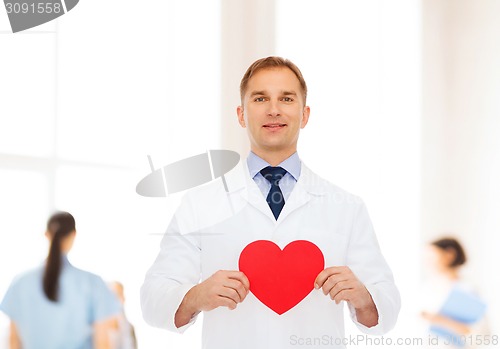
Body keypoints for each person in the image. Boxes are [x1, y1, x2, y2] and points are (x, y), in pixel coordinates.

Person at [141, 56, 401, 348]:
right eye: (261, 98)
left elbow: (387, 305)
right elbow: (152, 299)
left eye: (287, 99)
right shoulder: (200, 204)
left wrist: (364, 297)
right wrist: (196, 296)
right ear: (241, 114)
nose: (274, 109)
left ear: (305, 114)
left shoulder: (346, 207)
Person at [0, 211, 121, 349]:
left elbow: (14, 342)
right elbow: (102, 343)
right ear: (74, 235)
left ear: (46, 235)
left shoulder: (21, 283)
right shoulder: (93, 283)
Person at [420, 237, 489, 348]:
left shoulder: (468, 290)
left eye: (431, 257)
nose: (427, 262)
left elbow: (483, 334)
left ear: (449, 254)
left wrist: (441, 320)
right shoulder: (427, 288)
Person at [108, 281, 138, 349]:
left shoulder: (130, 328)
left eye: (121, 294)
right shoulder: (99, 329)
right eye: (115, 295)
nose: (122, 298)